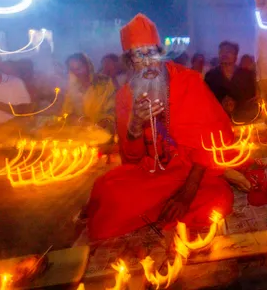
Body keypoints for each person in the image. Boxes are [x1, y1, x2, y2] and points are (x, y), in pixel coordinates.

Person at [86, 13, 235, 240]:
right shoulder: (125, 96)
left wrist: (186, 195)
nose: (147, 62)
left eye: (152, 53)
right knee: (108, 192)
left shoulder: (189, 81)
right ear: (129, 61)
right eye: (139, 55)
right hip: (153, 173)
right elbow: (132, 158)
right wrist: (135, 124)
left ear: (160, 53)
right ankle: (159, 207)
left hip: (190, 171)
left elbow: (212, 141)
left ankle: (158, 209)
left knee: (220, 199)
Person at [62, 53, 116, 130]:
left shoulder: (105, 83)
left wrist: (104, 122)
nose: (76, 73)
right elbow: (66, 113)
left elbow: (113, 111)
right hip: (80, 134)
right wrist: (79, 120)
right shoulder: (72, 88)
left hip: (103, 133)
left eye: (79, 68)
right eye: (72, 70)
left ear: (88, 66)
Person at [205, 41, 257, 120]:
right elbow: (206, 100)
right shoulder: (210, 76)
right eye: (221, 52)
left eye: (228, 51)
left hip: (243, 120)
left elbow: (252, 100)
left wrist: (237, 104)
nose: (224, 54)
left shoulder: (246, 75)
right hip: (219, 121)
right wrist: (221, 103)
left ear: (235, 56)